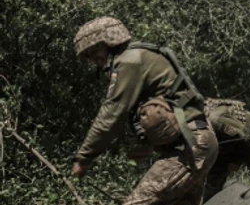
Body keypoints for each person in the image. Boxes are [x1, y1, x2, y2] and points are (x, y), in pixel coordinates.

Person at [71, 16, 218, 205]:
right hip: (197, 142)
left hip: (188, 147)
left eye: (95, 51)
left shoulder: (129, 61)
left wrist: (84, 158)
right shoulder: (139, 56)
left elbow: (112, 113)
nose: (94, 59)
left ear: (109, 42)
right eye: (89, 56)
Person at [202, 98, 250, 200]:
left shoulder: (216, 119)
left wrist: (235, 162)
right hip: (224, 147)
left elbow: (245, 137)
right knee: (211, 191)